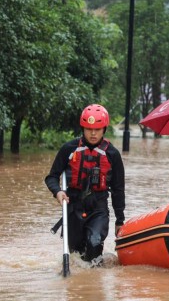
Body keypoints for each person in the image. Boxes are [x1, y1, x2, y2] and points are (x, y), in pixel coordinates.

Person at [45, 104, 125, 263]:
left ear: (104, 129)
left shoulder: (112, 154)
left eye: (97, 129)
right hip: (74, 207)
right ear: (82, 128)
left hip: (98, 208)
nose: (93, 133)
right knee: (76, 254)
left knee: (94, 243)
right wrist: (58, 192)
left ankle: (94, 282)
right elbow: (51, 177)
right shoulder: (69, 149)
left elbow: (118, 190)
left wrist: (119, 220)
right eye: (89, 129)